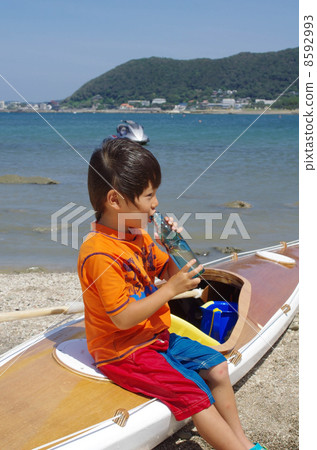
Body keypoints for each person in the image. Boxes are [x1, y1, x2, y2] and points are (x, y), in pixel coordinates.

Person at [78, 138, 266, 450]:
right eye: (149, 195)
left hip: (154, 337)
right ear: (115, 199)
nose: (155, 203)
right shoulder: (99, 253)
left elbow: (187, 276)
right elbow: (123, 319)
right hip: (123, 352)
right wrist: (168, 290)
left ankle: (244, 442)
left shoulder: (137, 236)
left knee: (218, 366)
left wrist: (174, 246)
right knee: (194, 392)